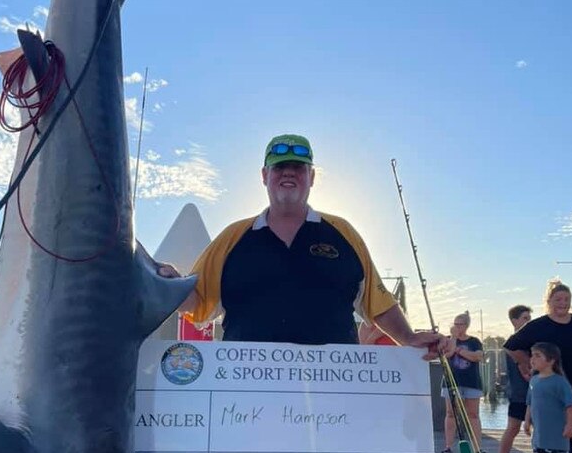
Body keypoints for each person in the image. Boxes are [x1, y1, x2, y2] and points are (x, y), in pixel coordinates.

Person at [163, 134, 446, 354]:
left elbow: (378, 303)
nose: (288, 173)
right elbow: (196, 301)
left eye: (298, 167)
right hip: (248, 395)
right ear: (265, 176)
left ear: (312, 177)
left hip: (333, 392)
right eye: (279, 167)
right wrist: (167, 283)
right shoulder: (232, 237)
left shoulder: (343, 233)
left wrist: (409, 338)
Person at [504, 279, 572, 453]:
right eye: (558, 299)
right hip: (554, 393)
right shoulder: (538, 326)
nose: (563, 303)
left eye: (566, 299)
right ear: (549, 301)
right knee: (564, 440)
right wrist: (526, 363)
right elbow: (511, 346)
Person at [520, 343, 572, 453]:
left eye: (538, 356)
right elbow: (530, 402)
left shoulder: (560, 382)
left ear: (551, 360)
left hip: (556, 435)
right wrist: (527, 420)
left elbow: (571, 405)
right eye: (532, 355)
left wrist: (570, 425)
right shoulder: (534, 380)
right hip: (540, 435)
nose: (533, 359)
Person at [440, 311, 488, 453]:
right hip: (451, 381)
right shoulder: (448, 340)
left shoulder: (474, 341)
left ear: (466, 326)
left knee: (473, 415)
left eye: (459, 324)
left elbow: (477, 356)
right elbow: (446, 354)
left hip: (471, 382)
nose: (456, 327)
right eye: (455, 324)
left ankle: (477, 448)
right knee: (451, 413)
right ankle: (448, 446)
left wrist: (459, 350)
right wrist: (454, 339)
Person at [495, 304, 532, 453]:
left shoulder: (528, 341)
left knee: (540, 429)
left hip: (532, 392)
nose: (528, 322)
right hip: (519, 392)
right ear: (514, 321)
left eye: (529, 318)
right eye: (525, 318)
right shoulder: (513, 343)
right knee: (513, 428)